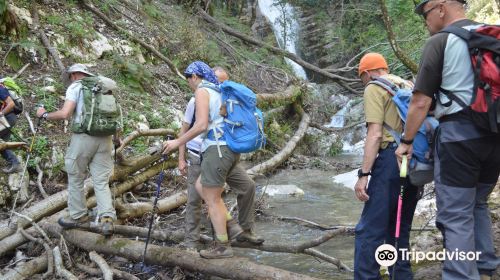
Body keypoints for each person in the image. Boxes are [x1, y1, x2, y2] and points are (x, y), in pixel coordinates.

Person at [396, 1, 500, 279]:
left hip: (458, 139)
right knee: (476, 203)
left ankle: (461, 275)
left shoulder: (441, 41)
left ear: (440, 8)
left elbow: (420, 101)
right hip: (494, 137)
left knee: (455, 214)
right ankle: (485, 268)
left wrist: (406, 141)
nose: (425, 22)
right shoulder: (492, 34)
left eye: (425, 15)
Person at [163, 61, 263, 259]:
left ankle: (222, 246)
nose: (189, 83)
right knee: (201, 186)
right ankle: (233, 227)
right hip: (229, 149)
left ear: (194, 77)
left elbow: (200, 125)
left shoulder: (202, 91)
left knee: (212, 199)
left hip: (216, 149)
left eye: (188, 78)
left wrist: (176, 143)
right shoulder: (219, 91)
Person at [353, 53, 419, 279]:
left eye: (362, 77)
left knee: (369, 230)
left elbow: (375, 134)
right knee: (399, 227)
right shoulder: (406, 83)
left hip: (390, 161)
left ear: (367, 73)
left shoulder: (374, 87)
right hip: (413, 160)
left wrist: (364, 174)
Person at [36, 64, 119, 236]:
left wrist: (44, 114)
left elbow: (65, 114)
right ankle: (107, 219)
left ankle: (78, 216)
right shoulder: (103, 86)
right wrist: (117, 138)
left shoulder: (76, 87)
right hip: (106, 138)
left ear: (73, 75)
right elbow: (114, 115)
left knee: (75, 177)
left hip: (84, 138)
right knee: (101, 181)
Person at [0, 83, 21, 173]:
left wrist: (1, 114)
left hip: (7, 118)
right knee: (2, 144)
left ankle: (14, 163)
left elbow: (11, 104)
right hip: (6, 119)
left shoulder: (1, 89)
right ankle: (14, 163)